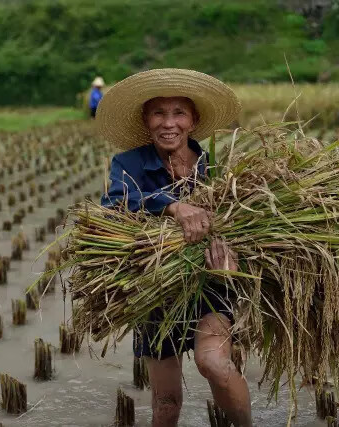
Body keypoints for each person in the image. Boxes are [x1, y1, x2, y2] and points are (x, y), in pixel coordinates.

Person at [98, 69, 252, 427]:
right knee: (165, 404)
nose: (169, 123)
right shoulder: (129, 163)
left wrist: (234, 261)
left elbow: (244, 227)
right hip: (154, 286)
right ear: (145, 120)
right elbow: (115, 203)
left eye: (179, 113)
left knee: (213, 364)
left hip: (212, 281)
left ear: (193, 120)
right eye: (158, 113)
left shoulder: (217, 169)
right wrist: (172, 206)